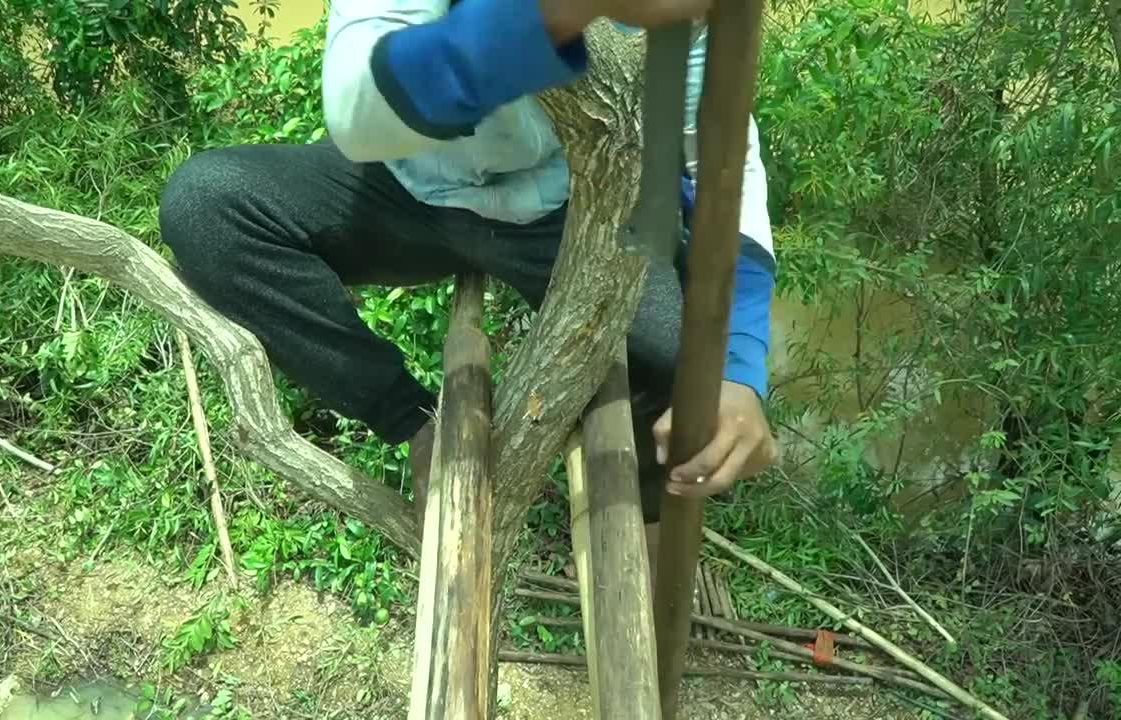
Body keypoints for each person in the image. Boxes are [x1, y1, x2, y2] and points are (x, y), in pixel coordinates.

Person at [159, 0, 778, 569]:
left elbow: (715, 157)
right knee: (208, 207)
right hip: (400, 185)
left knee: (680, 361)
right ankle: (413, 420)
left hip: (564, 205)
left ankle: (644, 539)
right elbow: (358, 111)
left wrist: (741, 364)